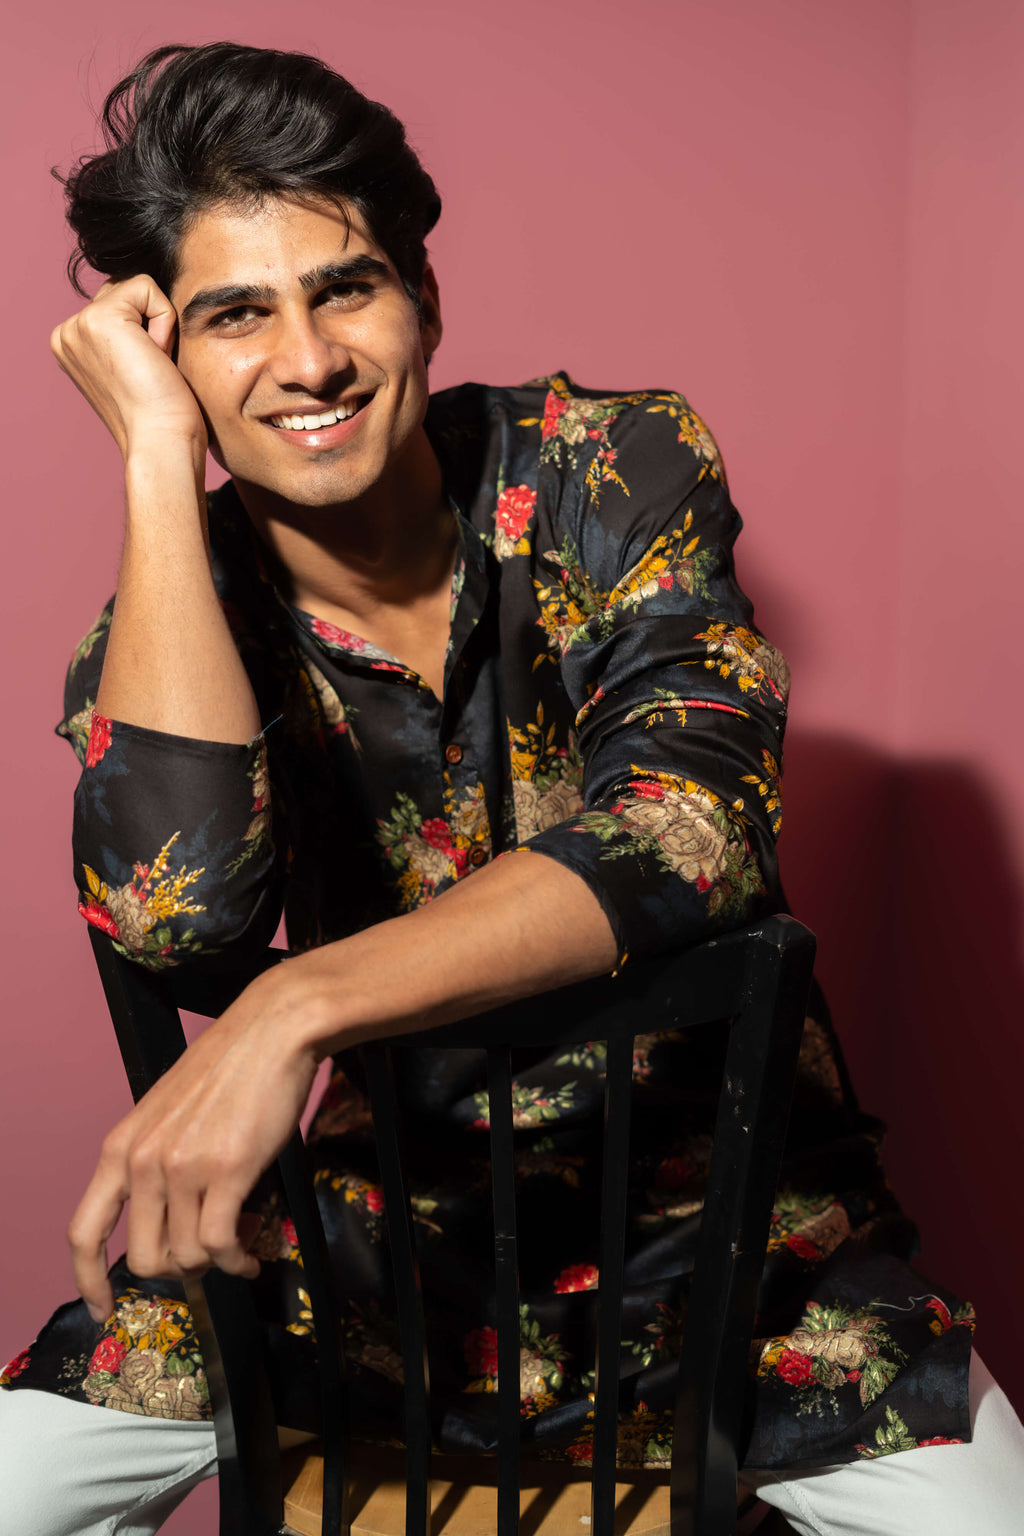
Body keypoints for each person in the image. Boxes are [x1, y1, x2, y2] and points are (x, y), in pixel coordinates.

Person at [2, 41, 1022, 1536]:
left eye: (344, 288)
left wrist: (300, 1004)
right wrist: (157, 466)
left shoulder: (618, 466)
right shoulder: (166, 614)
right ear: (169, 358)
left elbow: (693, 829)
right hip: (360, 1265)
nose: (306, 360)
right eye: (233, 317)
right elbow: (179, 930)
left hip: (726, 1252)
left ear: (423, 299)